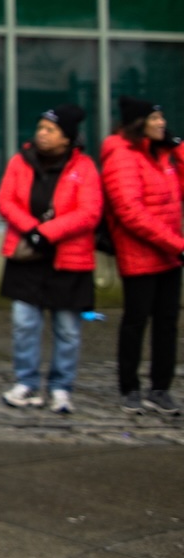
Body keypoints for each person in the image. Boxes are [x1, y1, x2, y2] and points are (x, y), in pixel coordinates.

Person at [0, 106, 101, 414]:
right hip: (27, 257)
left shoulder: (85, 167)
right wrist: (31, 229)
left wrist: (48, 232)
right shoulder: (20, 161)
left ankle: (60, 387)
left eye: (50, 129)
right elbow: (5, 200)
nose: (42, 133)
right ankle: (25, 382)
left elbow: (90, 211)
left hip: (69, 259)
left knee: (67, 329)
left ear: (67, 138)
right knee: (24, 323)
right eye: (40, 127)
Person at [100, 97, 183, 417]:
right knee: (136, 322)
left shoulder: (162, 154)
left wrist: (178, 147)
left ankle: (161, 388)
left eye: (163, 117)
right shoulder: (121, 155)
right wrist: (176, 244)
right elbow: (130, 211)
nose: (162, 123)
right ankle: (130, 387)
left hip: (170, 253)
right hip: (141, 255)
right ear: (139, 123)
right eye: (156, 118)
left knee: (167, 324)